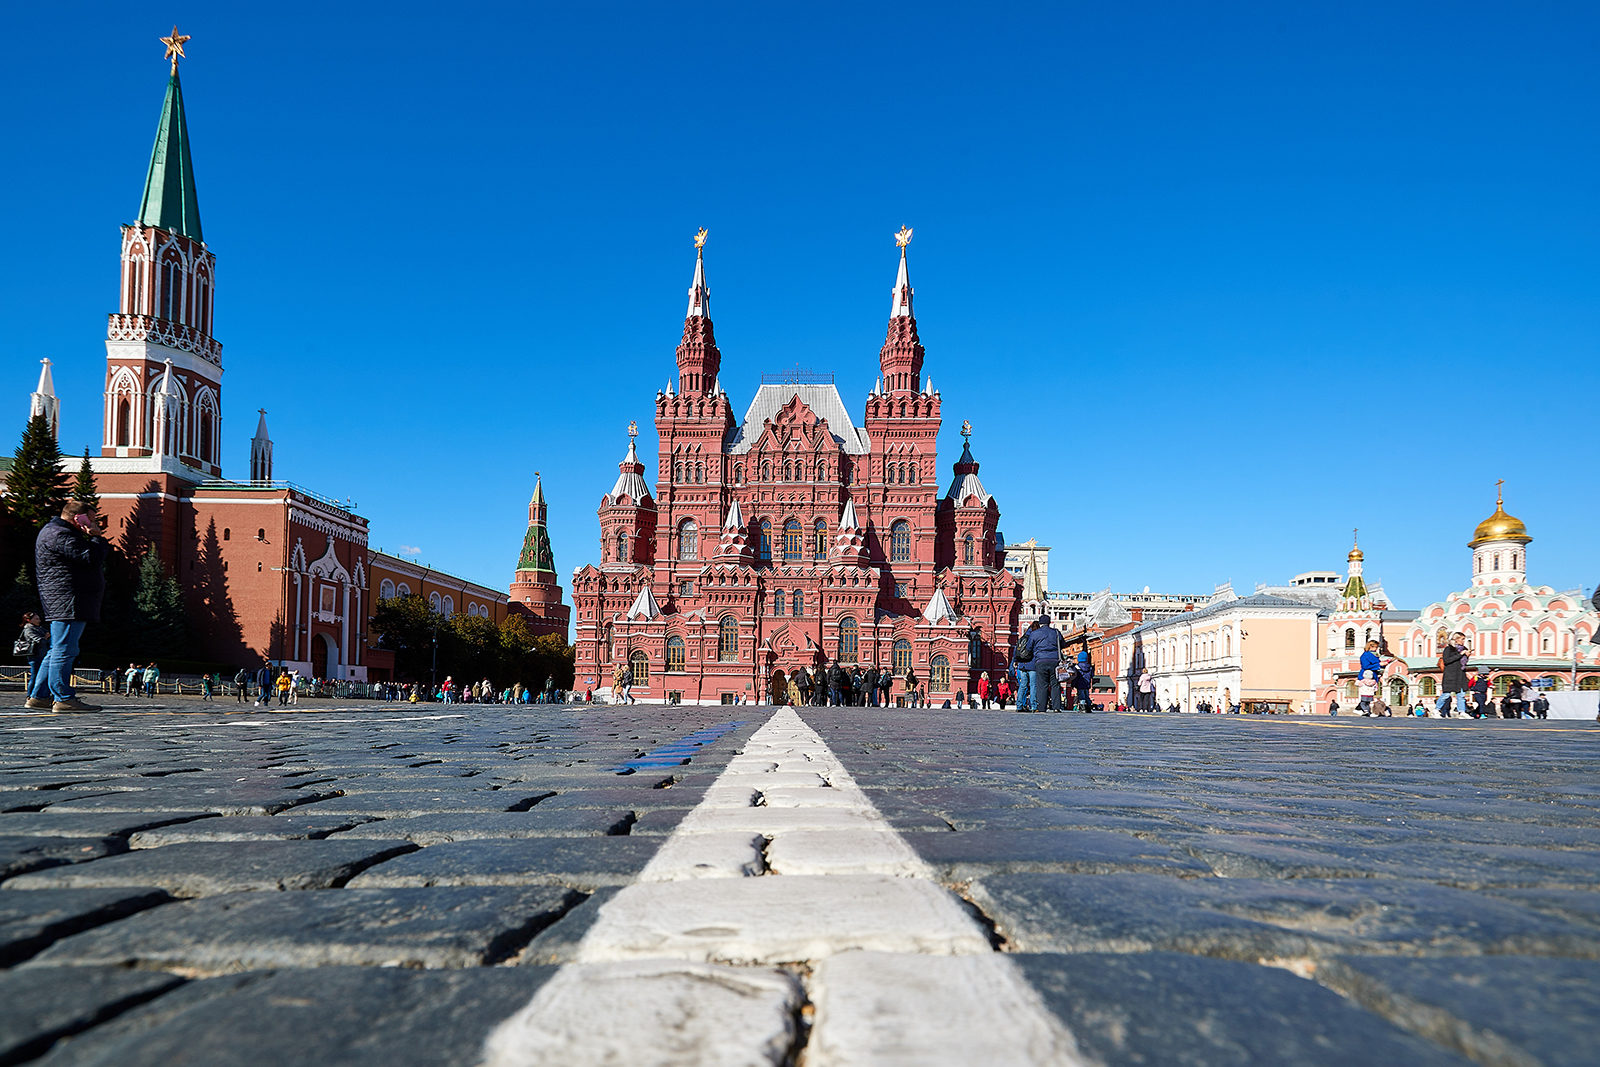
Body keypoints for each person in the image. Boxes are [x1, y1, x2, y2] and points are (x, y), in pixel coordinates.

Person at [28, 502, 109, 713]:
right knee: (65, 650)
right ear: (78, 519)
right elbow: (91, 557)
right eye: (91, 518)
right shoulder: (61, 534)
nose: (94, 522)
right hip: (69, 600)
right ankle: (63, 698)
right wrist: (96, 537)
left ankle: (39, 696)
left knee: (57, 649)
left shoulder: (56, 532)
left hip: (65, 599)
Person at [1023, 615, 1063, 712]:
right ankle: (1056, 707)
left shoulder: (1035, 633)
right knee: (1055, 684)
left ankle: (1042, 708)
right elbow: (1062, 644)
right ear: (1049, 622)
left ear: (1040, 623)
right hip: (1055, 661)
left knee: (1042, 684)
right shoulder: (1056, 632)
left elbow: (1028, 647)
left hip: (1040, 661)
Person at [17, 611, 48, 702]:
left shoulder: (39, 628)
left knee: (38, 675)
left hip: (42, 654)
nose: (39, 620)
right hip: (35, 655)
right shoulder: (29, 629)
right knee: (35, 675)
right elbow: (39, 640)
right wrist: (45, 638)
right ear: (28, 620)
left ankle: (38, 694)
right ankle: (30, 695)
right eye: (36, 619)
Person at [1438, 633, 1469, 718]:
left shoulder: (1464, 649)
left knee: (1461, 694)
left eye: (1464, 639)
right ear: (1456, 639)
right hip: (1450, 675)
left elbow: (1463, 663)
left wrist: (1467, 655)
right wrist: (1461, 654)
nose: (1463, 641)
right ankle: (1436, 710)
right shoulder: (1449, 649)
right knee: (1446, 694)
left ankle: (1462, 712)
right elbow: (1447, 660)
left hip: (1460, 674)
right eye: (1462, 639)